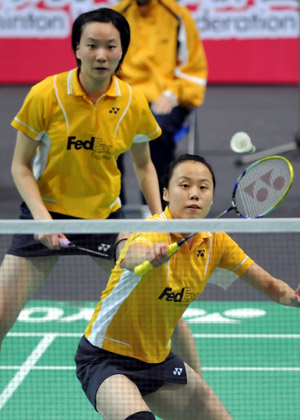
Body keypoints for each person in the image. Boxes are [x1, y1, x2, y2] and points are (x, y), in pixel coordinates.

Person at [75, 154, 300, 420]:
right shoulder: (153, 230)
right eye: (184, 185)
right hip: (106, 359)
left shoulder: (218, 243)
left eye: (203, 187)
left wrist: (293, 297)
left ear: (213, 198)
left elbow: (272, 286)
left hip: (157, 360)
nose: (194, 194)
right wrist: (147, 256)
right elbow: (133, 255)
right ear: (166, 193)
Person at [0, 8, 163, 348]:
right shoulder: (46, 94)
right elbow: (20, 166)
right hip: (46, 213)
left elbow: (145, 166)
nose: (101, 55)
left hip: (103, 220)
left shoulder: (133, 102)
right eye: (92, 45)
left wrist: (161, 219)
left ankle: (199, 384)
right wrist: (42, 221)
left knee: (156, 307)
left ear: (122, 50)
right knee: (1, 313)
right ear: (76, 48)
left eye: (111, 46)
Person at [114, 0, 208, 205]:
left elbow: (192, 70)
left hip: (166, 97)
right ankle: (112, 212)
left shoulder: (178, 17)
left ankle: (158, 211)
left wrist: (172, 95)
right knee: (105, 129)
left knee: (156, 130)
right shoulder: (117, 16)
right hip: (123, 96)